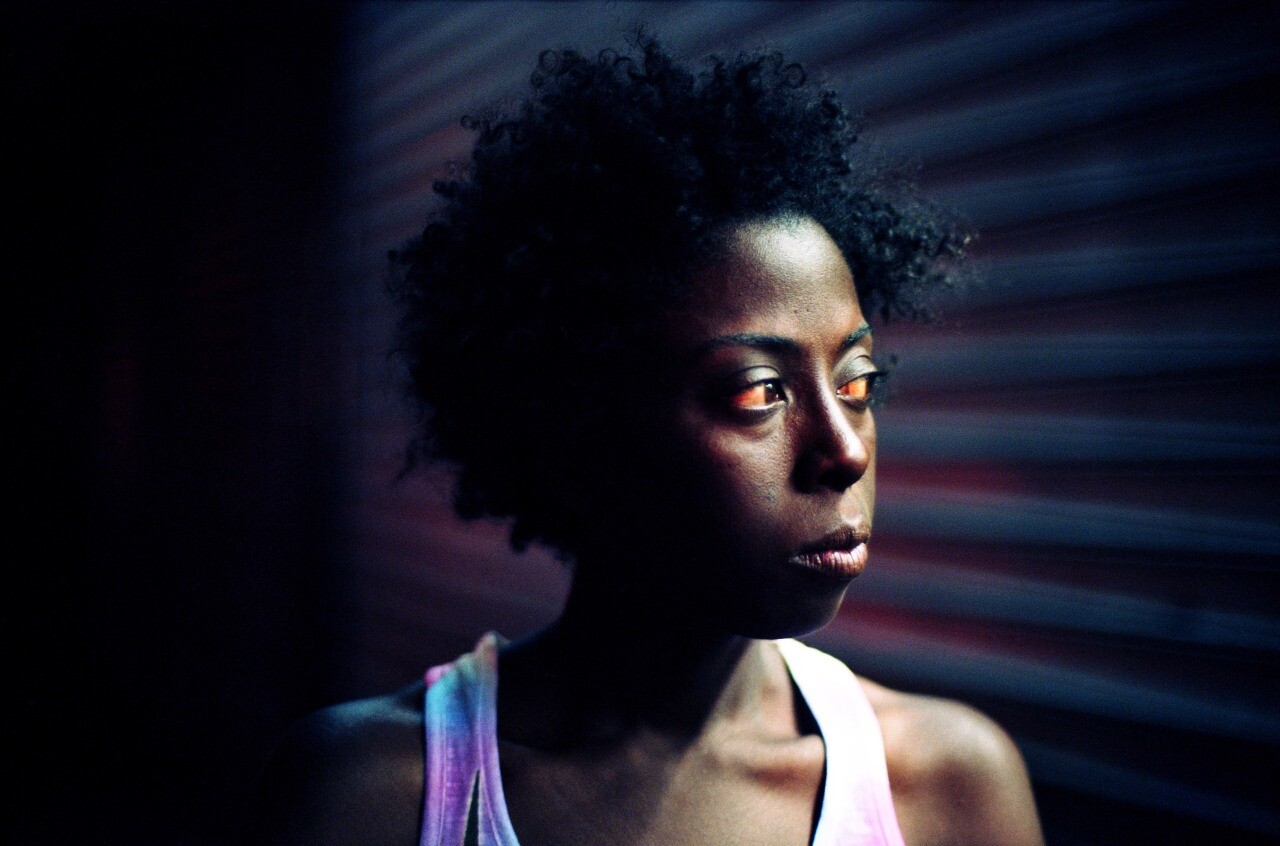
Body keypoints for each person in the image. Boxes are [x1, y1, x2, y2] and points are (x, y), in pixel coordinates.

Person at [245, 35, 1044, 846]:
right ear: (575, 423)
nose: (847, 452)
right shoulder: (370, 798)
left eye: (857, 385)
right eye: (759, 393)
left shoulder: (948, 788)